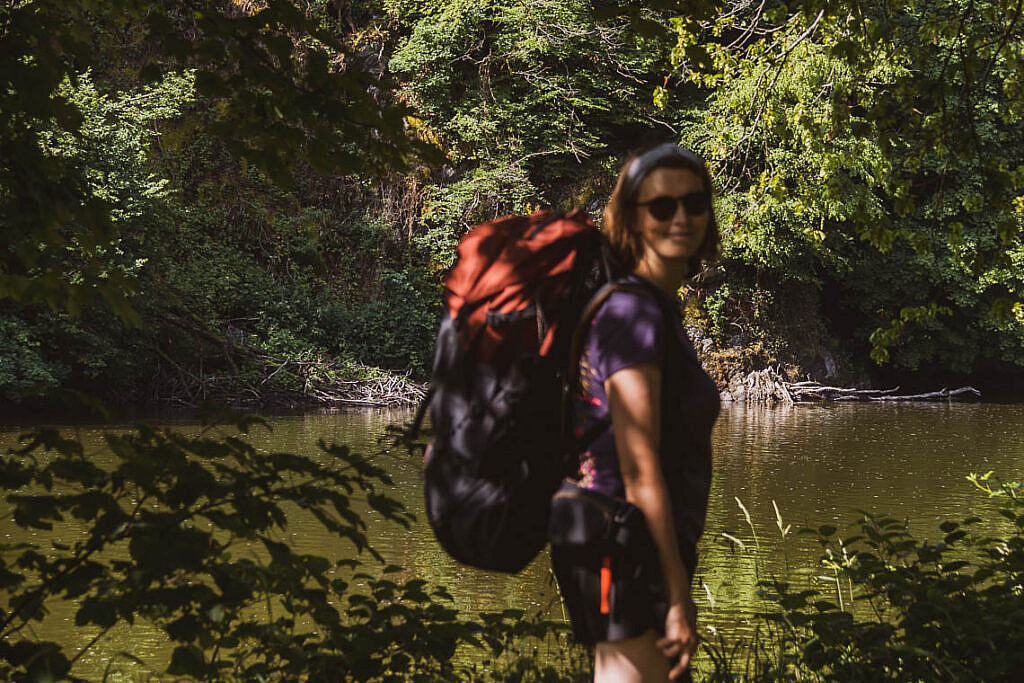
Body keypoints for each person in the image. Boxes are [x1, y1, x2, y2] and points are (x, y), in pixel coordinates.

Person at [551, 143, 722, 682]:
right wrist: (676, 595)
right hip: (621, 541)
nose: (681, 218)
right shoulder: (632, 313)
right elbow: (638, 467)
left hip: (616, 538)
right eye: (662, 207)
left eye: (694, 204)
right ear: (631, 218)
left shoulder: (649, 306)